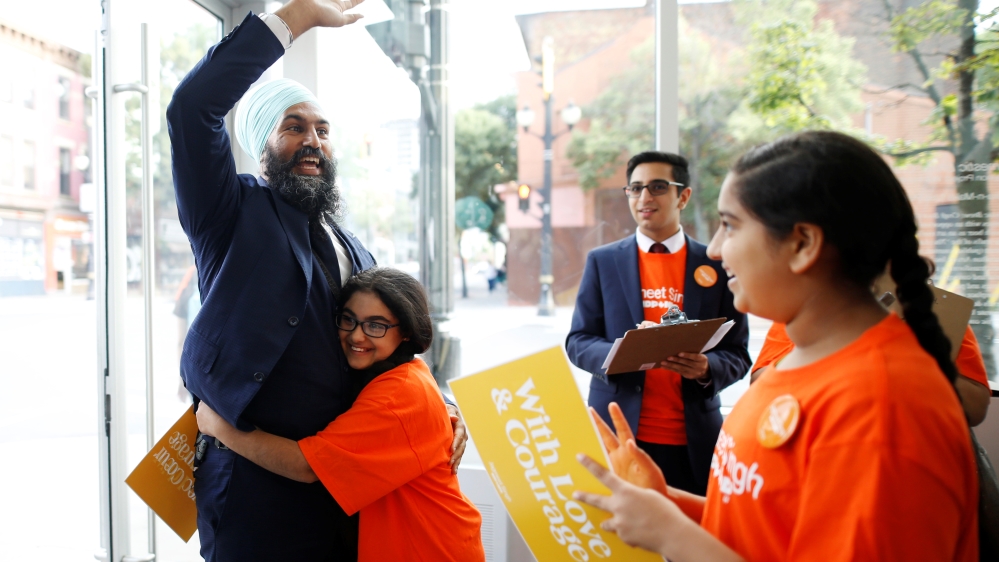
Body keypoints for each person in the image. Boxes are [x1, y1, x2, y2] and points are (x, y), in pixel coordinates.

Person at [573, 131, 979, 560]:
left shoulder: (884, 409)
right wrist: (669, 505)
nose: (714, 250)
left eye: (729, 225)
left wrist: (672, 535)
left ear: (802, 244)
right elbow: (766, 524)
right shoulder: (793, 365)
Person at [166, 1, 467, 559]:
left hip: (340, 490)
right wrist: (297, 16)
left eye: (323, 130)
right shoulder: (230, 214)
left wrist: (440, 411)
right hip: (254, 492)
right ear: (262, 146)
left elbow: (386, 346)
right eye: (294, 127)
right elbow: (192, 108)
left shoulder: (351, 243)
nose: (314, 141)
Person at [196, 268, 486, 561]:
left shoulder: (398, 395)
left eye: (376, 325)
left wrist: (221, 428)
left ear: (407, 332)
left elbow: (307, 466)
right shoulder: (402, 374)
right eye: (349, 320)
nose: (356, 335)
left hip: (432, 549)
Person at [566, 151, 751, 494]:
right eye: (635, 189)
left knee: (686, 541)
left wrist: (705, 368)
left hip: (693, 438)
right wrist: (620, 353)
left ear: (684, 196)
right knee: (623, 544)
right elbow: (578, 341)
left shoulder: (713, 262)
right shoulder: (603, 262)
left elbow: (738, 353)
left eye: (657, 187)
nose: (644, 197)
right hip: (620, 433)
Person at [753, 320, 991, 425]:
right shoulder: (808, 309)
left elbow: (975, 407)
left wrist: (913, 355)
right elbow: (759, 385)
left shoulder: (935, 313)